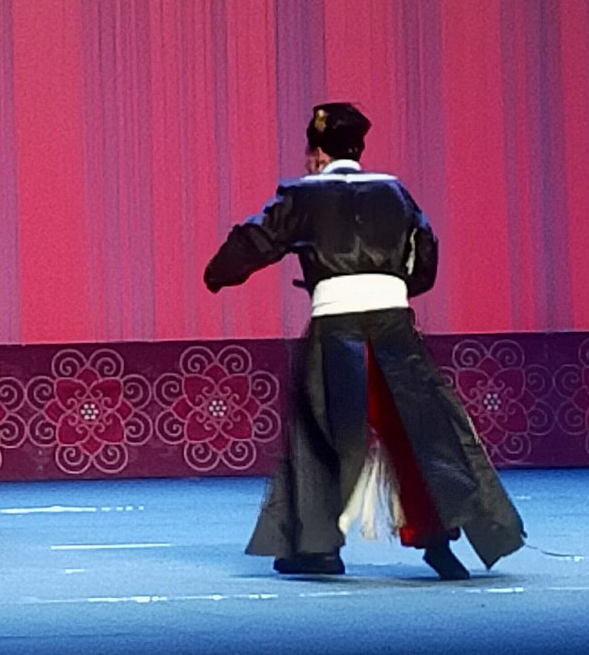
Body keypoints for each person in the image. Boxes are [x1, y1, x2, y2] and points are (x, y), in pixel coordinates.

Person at [204, 101, 524, 580]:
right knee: (419, 430)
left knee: (325, 433)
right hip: (394, 324)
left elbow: (254, 241)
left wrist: (217, 274)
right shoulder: (395, 191)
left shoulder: (303, 193)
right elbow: (426, 257)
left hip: (337, 326)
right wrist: (395, 288)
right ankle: (439, 540)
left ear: (317, 154)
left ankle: (319, 549)